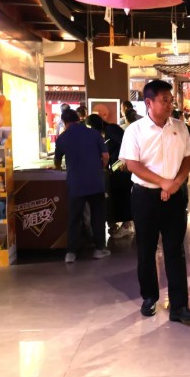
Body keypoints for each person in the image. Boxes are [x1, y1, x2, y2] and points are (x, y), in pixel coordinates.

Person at [118, 80, 190, 323]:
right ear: (149, 103)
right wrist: (162, 182)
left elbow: (188, 157)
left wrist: (175, 183)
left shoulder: (180, 127)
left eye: (171, 100)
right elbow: (132, 164)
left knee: (175, 250)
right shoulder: (135, 130)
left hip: (174, 195)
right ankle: (149, 297)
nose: (169, 104)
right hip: (145, 196)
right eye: (164, 100)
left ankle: (179, 306)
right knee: (146, 249)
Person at [54, 109, 111, 263]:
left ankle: (71, 253)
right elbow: (105, 156)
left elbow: (57, 161)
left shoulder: (63, 137)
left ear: (64, 122)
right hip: (96, 182)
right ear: (78, 119)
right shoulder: (94, 134)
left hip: (76, 183)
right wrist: (100, 167)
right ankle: (99, 249)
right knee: (98, 216)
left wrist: (59, 167)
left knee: (74, 217)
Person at [85, 114, 133, 239]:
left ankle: (127, 225)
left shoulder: (111, 129)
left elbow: (126, 145)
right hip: (114, 169)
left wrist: (122, 162)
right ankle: (119, 224)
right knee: (116, 196)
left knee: (123, 196)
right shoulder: (101, 135)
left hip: (123, 168)